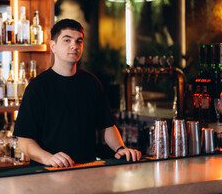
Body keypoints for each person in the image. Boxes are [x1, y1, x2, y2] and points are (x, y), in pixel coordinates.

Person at [13, 19, 141, 167]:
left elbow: (107, 126)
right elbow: (24, 141)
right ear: (53, 46)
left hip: (86, 169)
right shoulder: (37, 87)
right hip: (48, 172)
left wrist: (121, 148)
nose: (74, 46)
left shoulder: (92, 83)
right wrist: (48, 158)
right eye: (67, 40)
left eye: (78, 41)